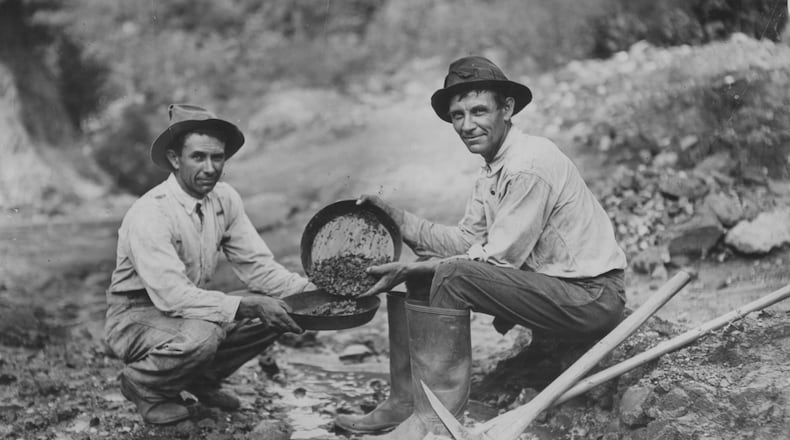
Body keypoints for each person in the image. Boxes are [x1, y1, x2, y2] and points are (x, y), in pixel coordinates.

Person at [334, 56, 628, 439]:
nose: (467, 125)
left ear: (507, 109)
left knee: (447, 273)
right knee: (429, 273)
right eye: (458, 115)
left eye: (478, 111)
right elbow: (465, 242)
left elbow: (498, 260)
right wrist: (399, 220)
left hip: (590, 297)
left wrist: (426, 267)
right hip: (558, 290)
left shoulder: (527, 165)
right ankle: (406, 402)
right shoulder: (494, 166)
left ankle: (437, 423)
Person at [104, 104, 311, 425]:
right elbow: (172, 297)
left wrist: (310, 294)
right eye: (198, 157)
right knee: (206, 333)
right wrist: (248, 305)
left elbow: (258, 266)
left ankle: (199, 380)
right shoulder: (151, 213)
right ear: (175, 159)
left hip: (184, 312)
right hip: (135, 318)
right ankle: (144, 386)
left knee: (279, 309)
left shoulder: (224, 199)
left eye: (218, 158)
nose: (211, 167)